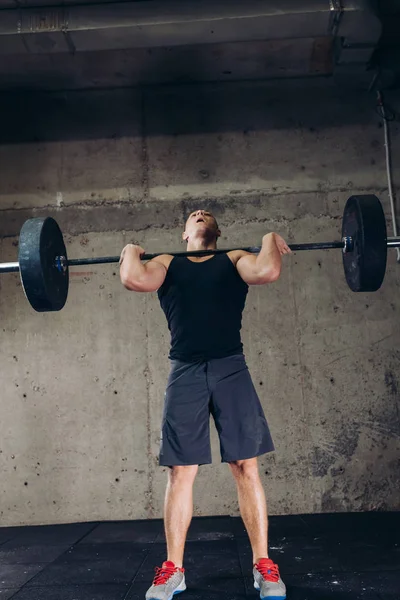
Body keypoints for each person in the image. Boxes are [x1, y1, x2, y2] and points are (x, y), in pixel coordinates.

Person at [119, 210, 291, 600]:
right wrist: (132, 249)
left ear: (216, 231)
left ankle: (263, 566)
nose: (200, 215)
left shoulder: (233, 259)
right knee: (180, 472)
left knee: (246, 465)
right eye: (194, 215)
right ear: (184, 233)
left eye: (207, 214)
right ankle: (173, 570)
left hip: (232, 367)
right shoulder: (166, 263)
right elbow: (133, 278)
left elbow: (266, 271)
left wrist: (268, 237)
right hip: (186, 372)